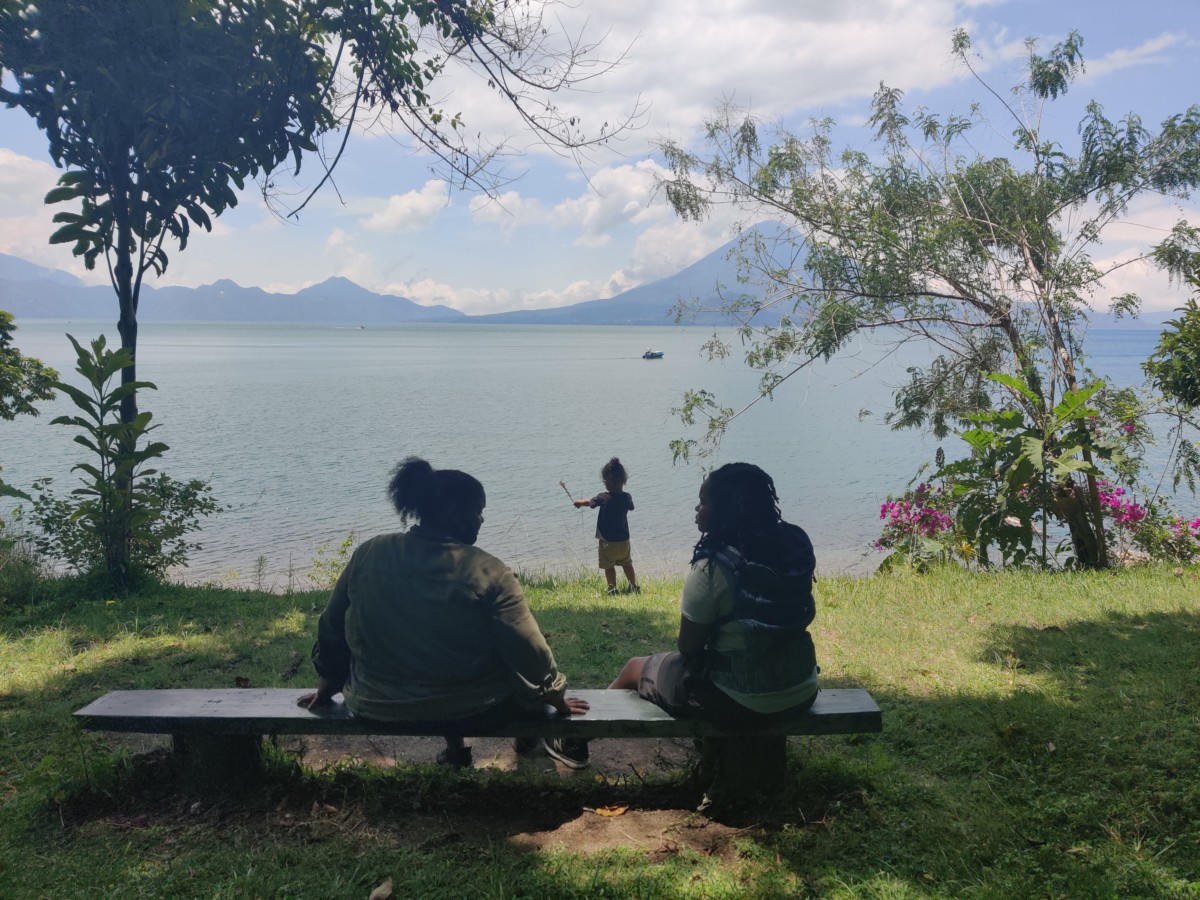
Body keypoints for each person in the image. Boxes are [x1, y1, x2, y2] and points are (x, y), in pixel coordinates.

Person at [299, 457, 588, 769]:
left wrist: (327, 688)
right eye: (478, 511)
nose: (481, 520)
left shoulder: (369, 553)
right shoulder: (490, 571)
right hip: (473, 711)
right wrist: (556, 698)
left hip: (375, 707)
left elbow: (331, 627)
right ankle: (528, 742)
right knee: (502, 671)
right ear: (454, 512)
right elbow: (529, 652)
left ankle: (456, 752)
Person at [574, 456, 639, 594]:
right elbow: (631, 507)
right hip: (623, 541)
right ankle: (634, 586)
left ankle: (612, 589)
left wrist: (579, 502)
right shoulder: (627, 497)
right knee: (627, 563)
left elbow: (590, 502)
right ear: (624, 480)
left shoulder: (602, 497)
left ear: (605, 482)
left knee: (609, 566)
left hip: (607, 542)